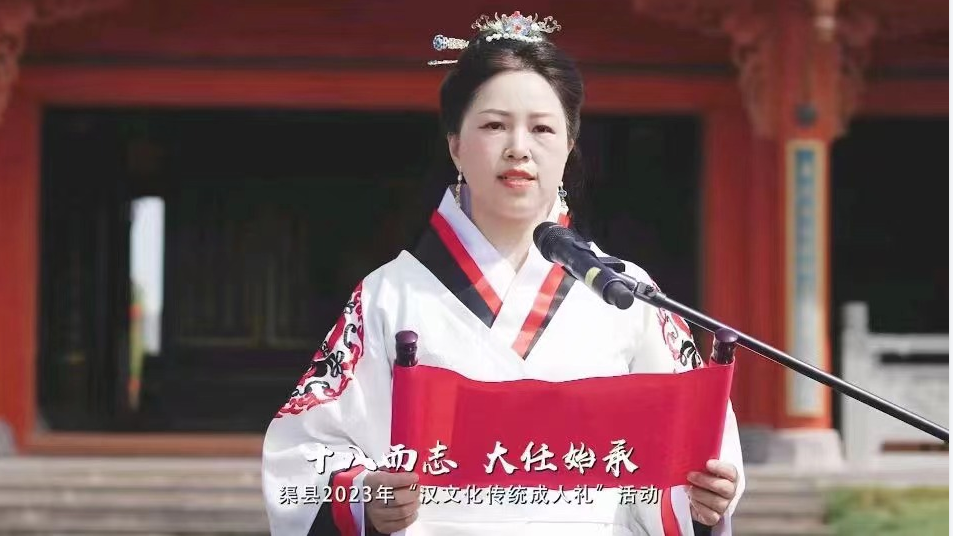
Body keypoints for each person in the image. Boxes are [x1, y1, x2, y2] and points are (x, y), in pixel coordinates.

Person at [262, 11, 744, 536]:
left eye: (542, 128)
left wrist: (699, 496)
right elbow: (304, 450)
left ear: (569, 146)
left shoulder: (627, 294)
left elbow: (687, 452)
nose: (519, 147)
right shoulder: (388, 295)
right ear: (455, 144)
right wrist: (369, 498)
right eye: (494, 125)